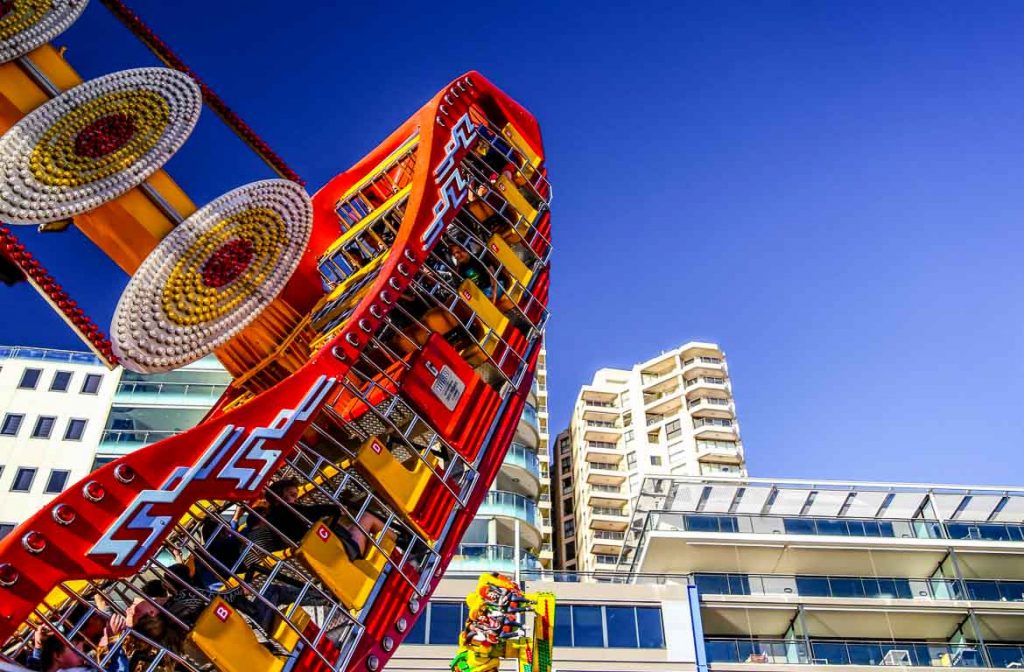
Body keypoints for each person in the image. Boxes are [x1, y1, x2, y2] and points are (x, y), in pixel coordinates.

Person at [263, 478, 385, 562]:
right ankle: (400, 540)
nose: (295, 499)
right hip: (340, 554)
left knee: (348, 527)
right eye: (292, 495)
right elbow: (315, 511)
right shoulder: (289, 511)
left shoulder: (272, 521)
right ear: (282, 495)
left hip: (320, 556)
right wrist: (335, 509)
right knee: (367, 518)